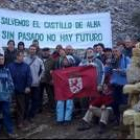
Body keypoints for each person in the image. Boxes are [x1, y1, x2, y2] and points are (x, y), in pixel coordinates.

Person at [105, 47, 131, 124]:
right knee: (115, 103)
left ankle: (124, 120)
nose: (114, 53)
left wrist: (121, 71)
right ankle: (117, 119)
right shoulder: (112, 61)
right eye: (113, 51)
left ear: (120, 52)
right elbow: (106, 72)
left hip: (123, 85)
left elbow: (130, 71)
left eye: (116, 51)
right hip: (114, 85)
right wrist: (107, 65)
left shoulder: (126, 59)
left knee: (123, 103)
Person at [8, 51, 32, 129]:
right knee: (9, 107)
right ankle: (9, 123)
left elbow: (29, 77)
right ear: (17, 57)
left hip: (21, 90)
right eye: (21, 56)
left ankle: (20, 122)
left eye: (23, 56)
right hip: (10, 90)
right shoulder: (10, 66)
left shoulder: (26, 66)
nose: (23, 58)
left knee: (21, 106)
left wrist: (28, 86)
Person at [24, 44, 45, 121]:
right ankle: (25, 115)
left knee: (35, 100)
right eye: (31, 49)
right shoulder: (25, 59)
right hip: (27, 84)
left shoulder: (39, 60)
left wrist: (38, 79)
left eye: (34, 49)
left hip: (36, 84)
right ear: (29, 50)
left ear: (36, 50)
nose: (32, 50)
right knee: (26, 101)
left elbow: (43, 70)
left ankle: (31, 115)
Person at [55, 49, 75, 125]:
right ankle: (59, 119)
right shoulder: (61, 70)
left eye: (66, 60)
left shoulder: (74, 70)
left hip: (70, 88)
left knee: (69, 103)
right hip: (62, 88)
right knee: (60, 102)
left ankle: (67, 119)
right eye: (64, 60)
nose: (64, 61)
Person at [0, 53, 18, 138]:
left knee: (7, 114)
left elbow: (11, 83)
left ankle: (10, 131)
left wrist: (10, 93)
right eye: (0, 59)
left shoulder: (6, 70)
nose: (1, 60)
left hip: (5, 97)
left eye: (2, 59)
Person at [40, 48, 55, 113]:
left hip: (49, 80)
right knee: (39, 95)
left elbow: (55, 70)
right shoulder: (39, 59)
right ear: (42, 52)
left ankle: (52, 107)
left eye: (47, 51)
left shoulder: (53, 60)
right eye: (44, 51)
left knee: (50, 95)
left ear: (49, 52)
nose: (45, 53)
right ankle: (39, 108)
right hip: (40, 80)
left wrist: (53, 79)